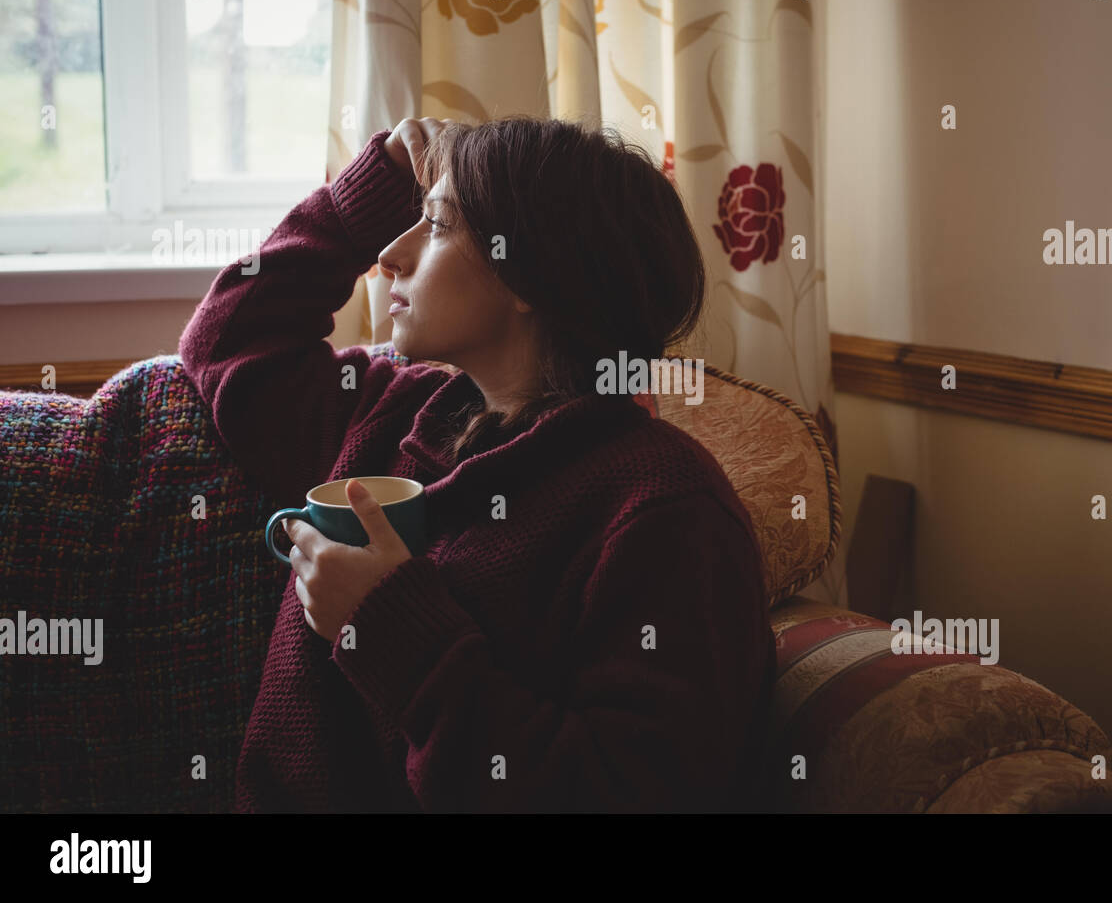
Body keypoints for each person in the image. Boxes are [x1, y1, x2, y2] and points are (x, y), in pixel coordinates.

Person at [178, 114, 777, 813]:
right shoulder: (393, 412)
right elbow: (228, 341)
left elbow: (625, 791)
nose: (389, 257)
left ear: (530, 272)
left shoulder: (664, 512)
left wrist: (388, 627)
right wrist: (357, 202)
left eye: (434, 227)